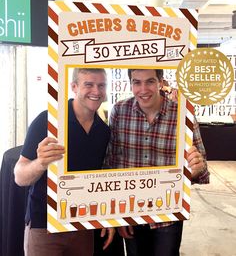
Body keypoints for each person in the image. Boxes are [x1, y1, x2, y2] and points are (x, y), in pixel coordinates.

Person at [105, 68, 210, 256]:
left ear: (161, 82)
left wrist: (195, 167)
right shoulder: (120, 111)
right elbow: (111, 164)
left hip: (168, 216)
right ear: (130, 84)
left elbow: (202, 170)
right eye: (137, 82)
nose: (143, 89)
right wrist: (115, 215)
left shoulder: (183, 115)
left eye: (150, 81)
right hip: (130, 213)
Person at [14, 68, 115, 256]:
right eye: (88, 84)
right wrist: (41, 163)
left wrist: (107, 217)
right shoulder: (48, 120)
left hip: (82, 224)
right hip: (44, 226)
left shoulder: (103, 131)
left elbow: (101, 178)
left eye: (101, 85)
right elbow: (19, 176)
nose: (96, 91)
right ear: (74, 87)